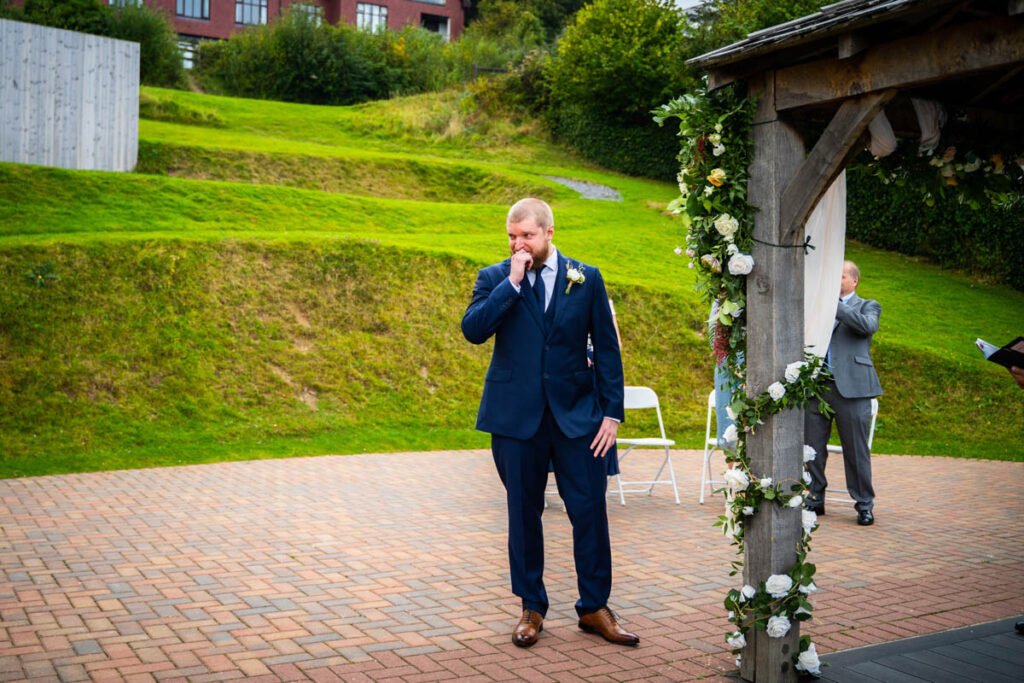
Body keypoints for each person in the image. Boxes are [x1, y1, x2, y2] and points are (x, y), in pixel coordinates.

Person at [462, 198, 638, 649]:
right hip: (516, 419)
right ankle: (531, 608)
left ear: (549, 233)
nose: (518, 244)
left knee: (589, 512)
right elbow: (474, 329)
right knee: (523, 514)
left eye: (527, 236)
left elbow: (608, 349)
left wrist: (612, 413)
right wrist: (513, 284)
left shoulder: (587, 277)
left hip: (577, 417)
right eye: (511, 236)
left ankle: (594, 607)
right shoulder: (496, 278)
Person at [804, 260, 882, 526]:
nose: (835, 280)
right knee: (812, 448)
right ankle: (815, 497)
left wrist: (832, 305)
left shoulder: (868, 306)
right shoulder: (816, 305)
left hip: (854, 389)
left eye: (841, 275)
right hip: (817, 387)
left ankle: (864, 504)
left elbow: (866, 327)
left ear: (854, 281)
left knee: (856, 449)